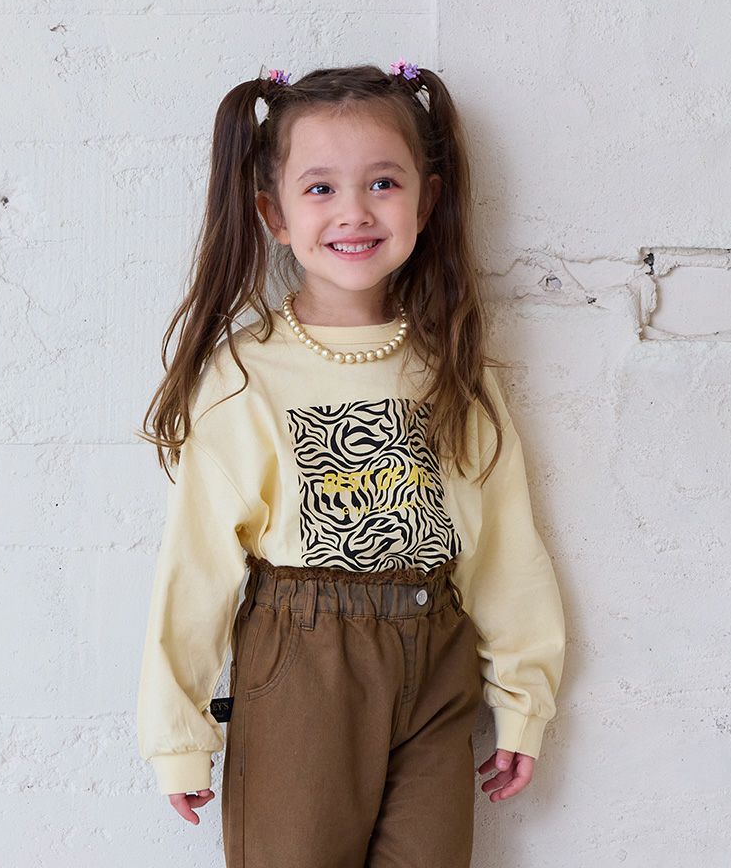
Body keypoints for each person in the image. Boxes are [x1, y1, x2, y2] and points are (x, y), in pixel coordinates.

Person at [135, 59, 566, 868]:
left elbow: (503, 545)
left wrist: (523, 699)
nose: (355, 211)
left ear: (426, 201)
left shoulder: (452, 365)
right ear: (273, 212)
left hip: (437, 664)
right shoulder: (244, 374)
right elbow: (196, 564)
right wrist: (178, 734)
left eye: (383, 183)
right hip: (304, 665)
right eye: (321, 188)